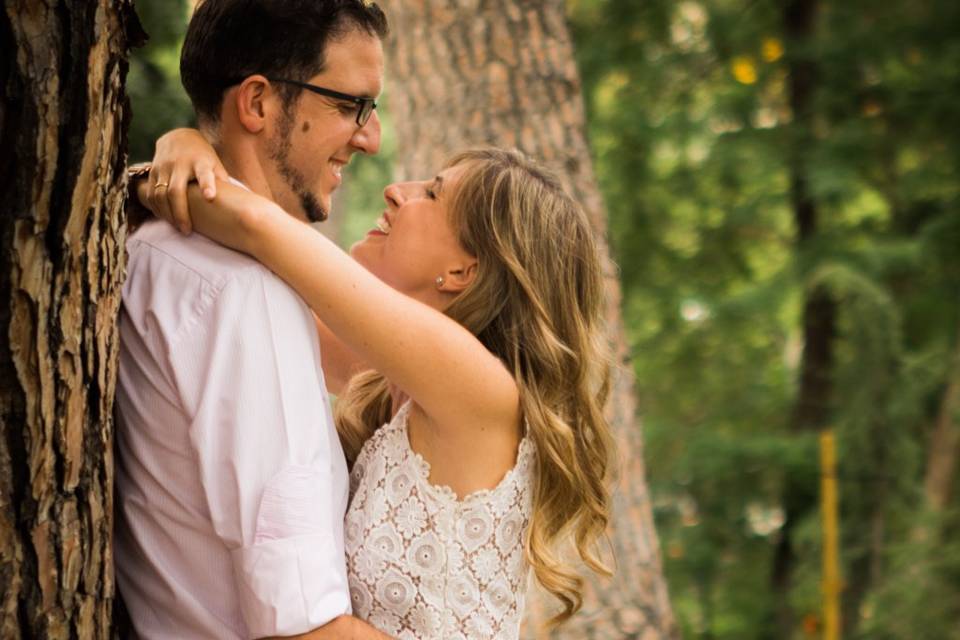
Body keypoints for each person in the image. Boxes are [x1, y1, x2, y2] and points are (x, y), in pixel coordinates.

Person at [136, 134, 616, 638]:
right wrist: (182, 147)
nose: (394, 191)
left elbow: (257, 229)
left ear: (461, 271)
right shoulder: (401, 384)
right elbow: (259, 261)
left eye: (431, 194)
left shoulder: (481, 387)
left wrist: (169, 163)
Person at [115, 1, 392, 638]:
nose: (370, 137)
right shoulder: (247, 299)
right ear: (259, 103)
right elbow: (307, 625)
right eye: (352, 105)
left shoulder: (151, 248)